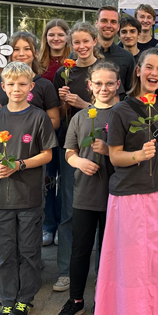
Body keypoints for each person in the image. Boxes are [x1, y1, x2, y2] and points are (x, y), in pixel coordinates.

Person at [94, 48, 158, 315]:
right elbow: (115, 156)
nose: (155, 73)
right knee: (129, 259)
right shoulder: (121, 109)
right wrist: (137, 155)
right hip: (128, 195)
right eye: (149, 67)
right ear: (138, 70)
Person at [0, 32, 61, 277]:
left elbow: (49, 134)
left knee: (28, 239)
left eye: (27, 48)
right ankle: (7, 289)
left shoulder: (42, 92)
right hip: (1, 182)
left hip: (29, 163)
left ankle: (27, 288)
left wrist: (32, 128)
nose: (22, 52)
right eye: (16, 48)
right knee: (6, 242)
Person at [0, 61, 57, 315]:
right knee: (5, 252)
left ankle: (25, 298)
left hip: (29, 197)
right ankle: (7, 299)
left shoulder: (38, 117)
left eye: (22, 84)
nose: (16, 89)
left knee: (28, 250)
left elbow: (47, 153)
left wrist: (20, 164)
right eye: (11, 84)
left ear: (31, 87)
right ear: (3, 87)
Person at [52, 62, 119, 315]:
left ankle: (107, 300)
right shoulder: (81, 117)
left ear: (118, 85)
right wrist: (78, 162)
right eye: (99, 83)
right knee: (80, 249)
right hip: (85, 195)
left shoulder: (122, 114)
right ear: (90, 86)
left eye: (109, 83)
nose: (104, 88)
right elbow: (69, 151)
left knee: (110, 250)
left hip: (115, 195)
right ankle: (76, 300)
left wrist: (108, 152)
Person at [52, 22, 102, 293]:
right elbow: (59, 115)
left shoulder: (104, 72)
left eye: (86, 41)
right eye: (77, 42)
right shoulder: (64, 72)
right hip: (72, 147)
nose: (81, 47)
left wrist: (84, 105)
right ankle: (66, 270)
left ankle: (102, 267)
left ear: (95, 41)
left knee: (101, 209)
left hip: (101, 146)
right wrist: (62, 101)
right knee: (69, 208)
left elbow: (113, 109)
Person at [39, 19, 71, 247]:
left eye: (61, 34)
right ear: (46, 37)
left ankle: (62, 225)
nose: (56, 38)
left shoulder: (73, 62)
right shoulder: (39, 63)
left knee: (66, 181)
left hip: (68, 129)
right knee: (47, 179)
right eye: (52, 34)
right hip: (44, 129)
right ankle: (48, 224)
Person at [93, 6, 135, 98]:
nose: (108, 25)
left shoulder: (127, 58)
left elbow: (130, 93)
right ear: (96, 24)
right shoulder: (81, 55)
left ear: (118, 27)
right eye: (104, 21)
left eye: (113, 22)